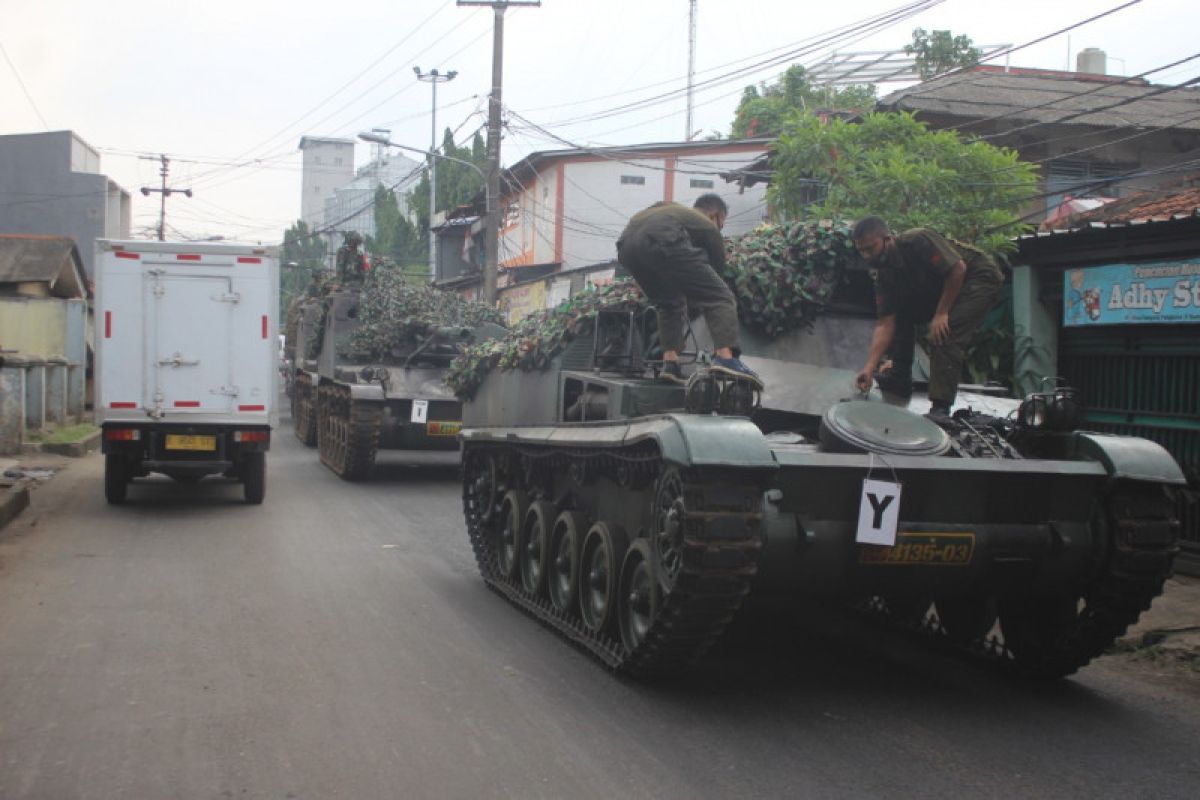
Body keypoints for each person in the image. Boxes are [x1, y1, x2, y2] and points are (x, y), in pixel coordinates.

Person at [851, 216, 1003, 418]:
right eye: (862, 251)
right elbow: (885, 323)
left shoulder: (917, 240)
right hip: (942, 288)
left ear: (887, 238)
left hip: (976, 278)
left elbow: (957, 270)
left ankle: (941, 406)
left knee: (945, 332)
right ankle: (899, 378)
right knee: (900, 313)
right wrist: (869, 368)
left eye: (870, 248)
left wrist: (941, 313)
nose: (867, 256)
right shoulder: (884, 275)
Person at [616, 194, 760, 385]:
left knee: (669, 303)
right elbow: (716, 274)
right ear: (714, 216)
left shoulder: (672, 210)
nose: (719, 228)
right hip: (664, 238)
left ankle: (670, 364)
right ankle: (726, 358)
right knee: (721, 297)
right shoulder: (708, 227)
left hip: (626, 247)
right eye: (721, 224)